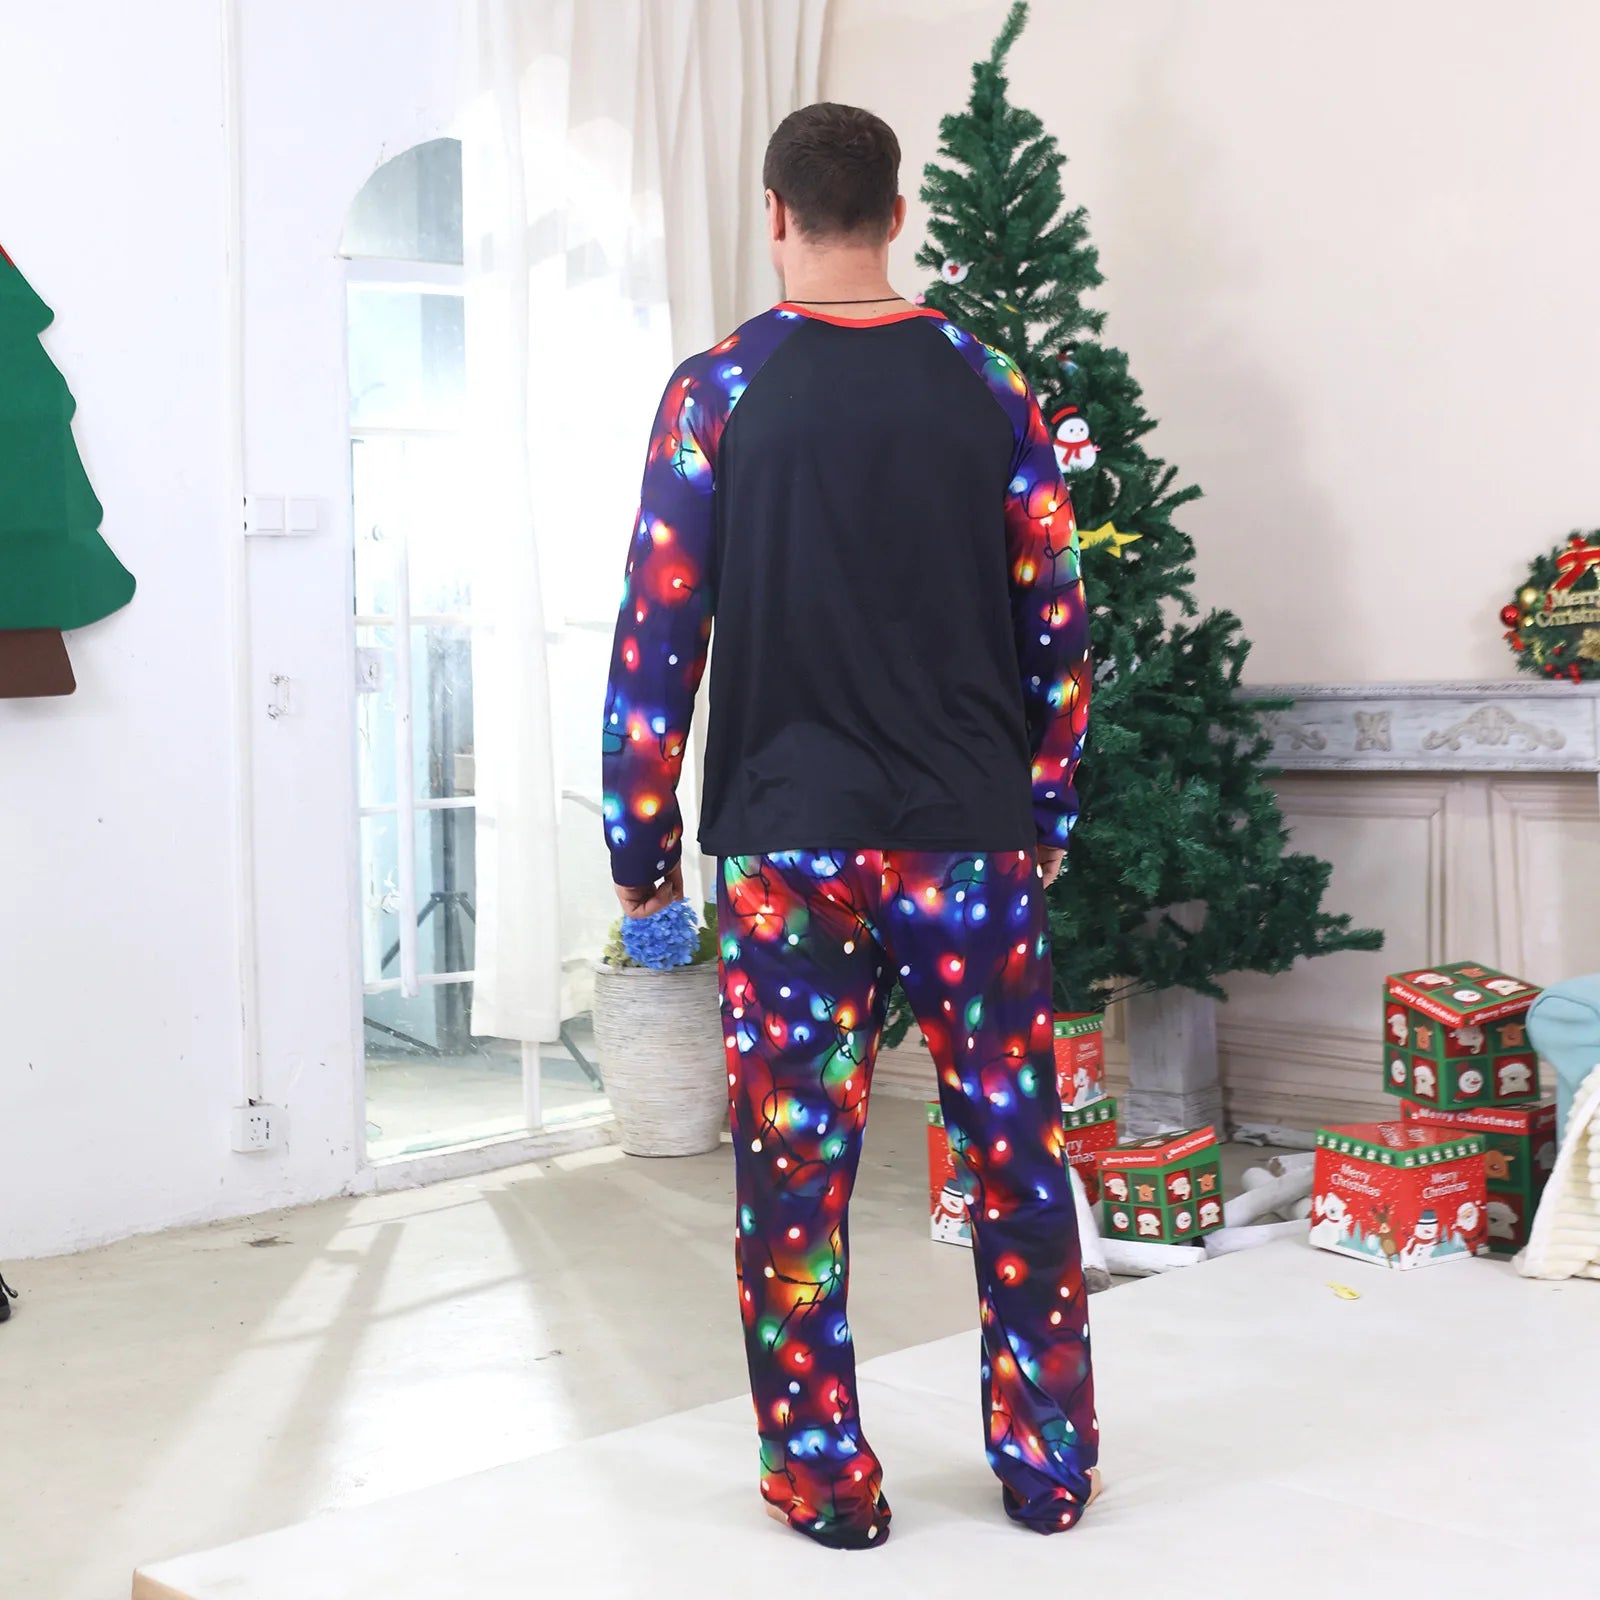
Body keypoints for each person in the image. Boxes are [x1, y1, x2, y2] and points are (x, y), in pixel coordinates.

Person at [601, 101, 1096, 1549]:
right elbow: (1058, 622)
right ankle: (1049, 1469)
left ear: (775, 213)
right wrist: (1047, 804)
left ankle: (825, 1482)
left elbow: (657, 637)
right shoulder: (990, 385)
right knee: (1015, 1156)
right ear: (895, 213)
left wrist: (641, 854)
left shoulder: (716, 391)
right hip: (970, 842)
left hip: (786, 847)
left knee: (793, 1176)